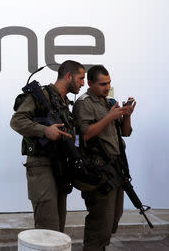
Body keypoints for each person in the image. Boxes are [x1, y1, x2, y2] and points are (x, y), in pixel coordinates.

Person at [10, 60, 85, 232]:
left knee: (58, 228)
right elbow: (17, 121)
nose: (82, 83)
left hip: (59, 166)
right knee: (47, 228)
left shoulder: (63, 101)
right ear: (68, 76)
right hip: (41, 165)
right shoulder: (42, 95)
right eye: (80, 78)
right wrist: (45, 131)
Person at [72, 65, 135, 251]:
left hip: (115, 168)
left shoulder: (109, 102)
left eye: (108, 83)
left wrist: (127, 115)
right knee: (100, 223)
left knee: (114, 219)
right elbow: (84, 135)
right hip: (98, 170)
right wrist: (109, 117)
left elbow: (125, 132)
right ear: (90, 83)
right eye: (102, 84)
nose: (107, 88)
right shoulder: (84, 103)